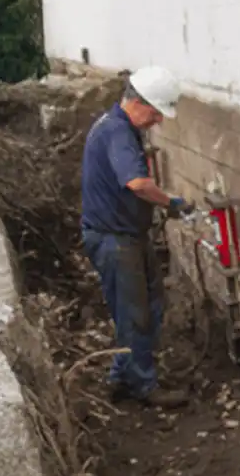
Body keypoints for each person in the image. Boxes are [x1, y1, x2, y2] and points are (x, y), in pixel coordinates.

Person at [81, 65, 194, 408]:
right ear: (140, 102)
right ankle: (143, 386)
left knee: (147, 305)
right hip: (115, 240)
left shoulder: (116, 127)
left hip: (124, 235)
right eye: (157, 113)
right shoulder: (117, 133)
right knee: (136, 313)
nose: (158, 121)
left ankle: (122, 374)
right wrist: (171, 202)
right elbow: (138, 184)